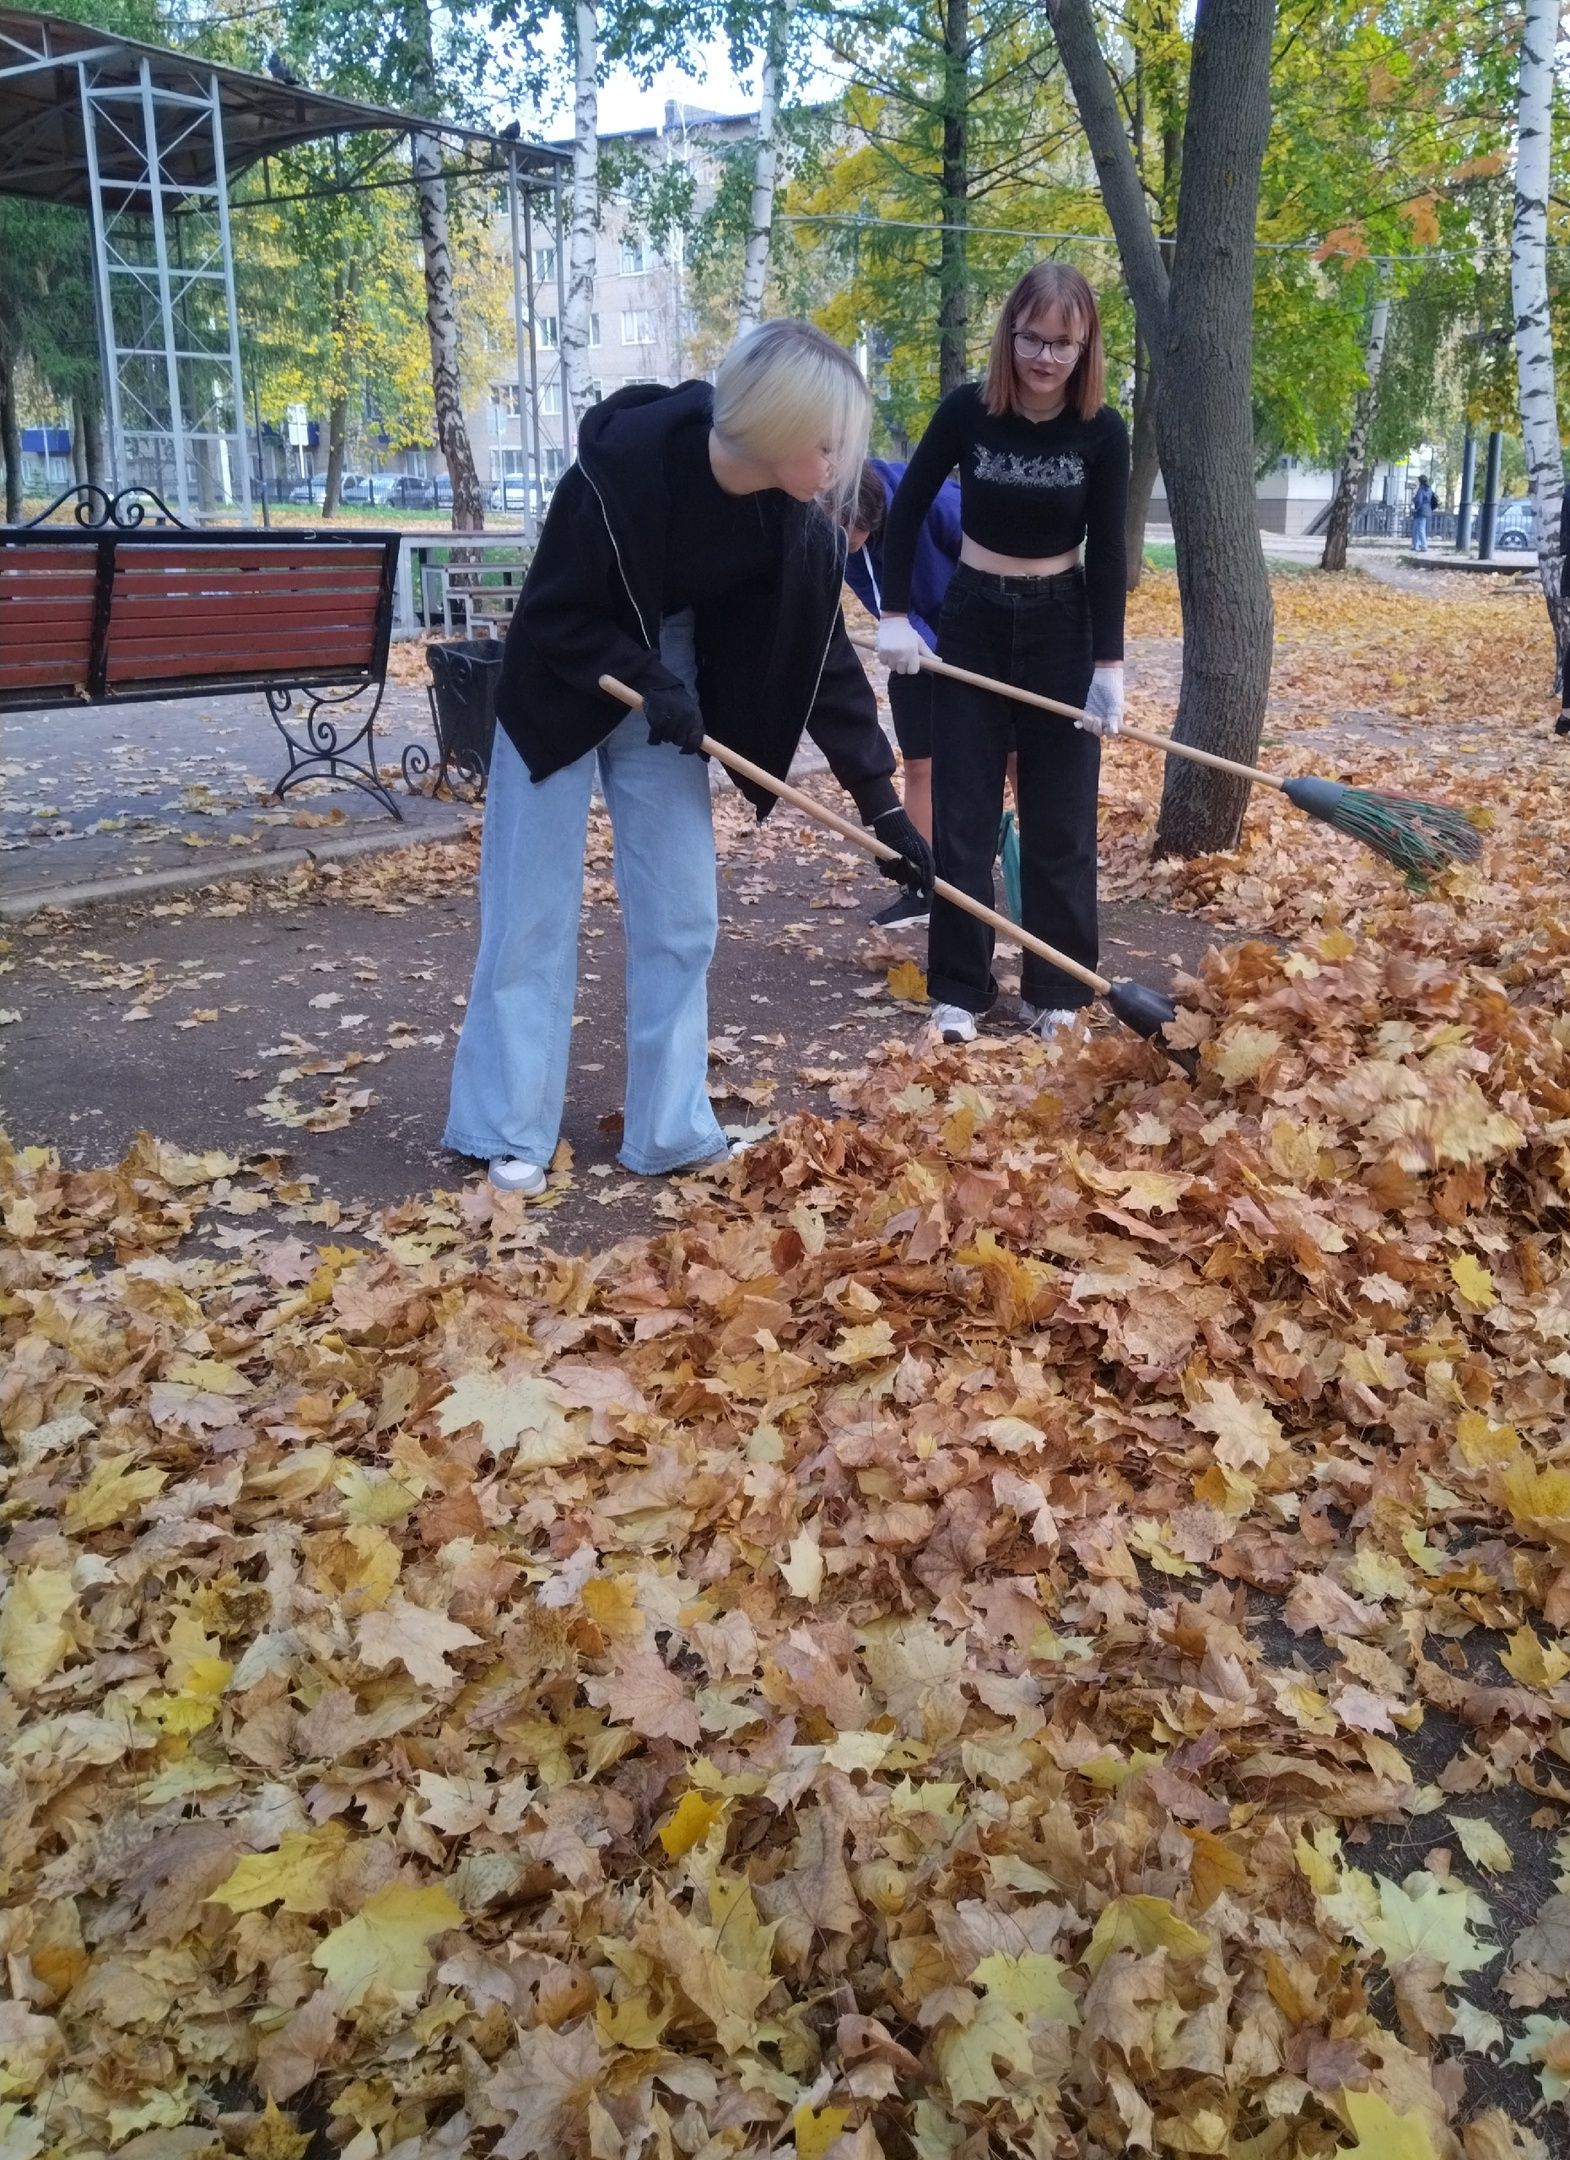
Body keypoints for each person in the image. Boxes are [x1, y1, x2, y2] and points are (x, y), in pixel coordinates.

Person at [444, 321, 934, 1195]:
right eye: (827, 443)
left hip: (664, 690)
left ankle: (669, 1129)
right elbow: (554, 616)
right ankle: (505, 1125)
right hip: (563, 676)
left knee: (681, 915)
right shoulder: (620, 469)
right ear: (780, 429)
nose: (837, 464)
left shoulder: (799, 520)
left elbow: (818, 659)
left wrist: (884, 809)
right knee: (531, 910)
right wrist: (645, 675)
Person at [876, 260, 1129, 1045]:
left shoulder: (1102, 432)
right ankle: (959, 992)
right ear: (1009, 334)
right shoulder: (968, 412)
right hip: (974, 621)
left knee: (1060, 820)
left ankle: (1056, 993)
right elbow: (905, 507)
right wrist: (893, 615)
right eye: (1031, 338)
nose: (1045, 358)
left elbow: (1111, 551)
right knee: (963, 820)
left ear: (1085, 346)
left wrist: (1109, 668)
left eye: (1063, 343)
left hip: (1062, 625)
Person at [843, 455, 962, 927]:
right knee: (921, 764)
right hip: (910, 647)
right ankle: (923, 883)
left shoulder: (937, 501)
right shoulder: (849, 546)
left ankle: (1038, 894)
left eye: (840, 533)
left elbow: (990, 564)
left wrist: (961, 654)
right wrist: (926, 651)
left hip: (981, 636)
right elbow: (880, 601)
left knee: (1014, 761)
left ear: (864, 514)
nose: (838, 547)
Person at [1410, 475, 1435, 552]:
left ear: (1420, 481)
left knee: (1419, 528)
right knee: (1418, 528)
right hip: (1426, 510)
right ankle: (1415, 545)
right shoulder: (1429, 489)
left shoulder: (1421, 490)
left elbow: (1419, 501)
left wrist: (1414, 501)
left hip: (1420, 511)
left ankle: (1423, 545)